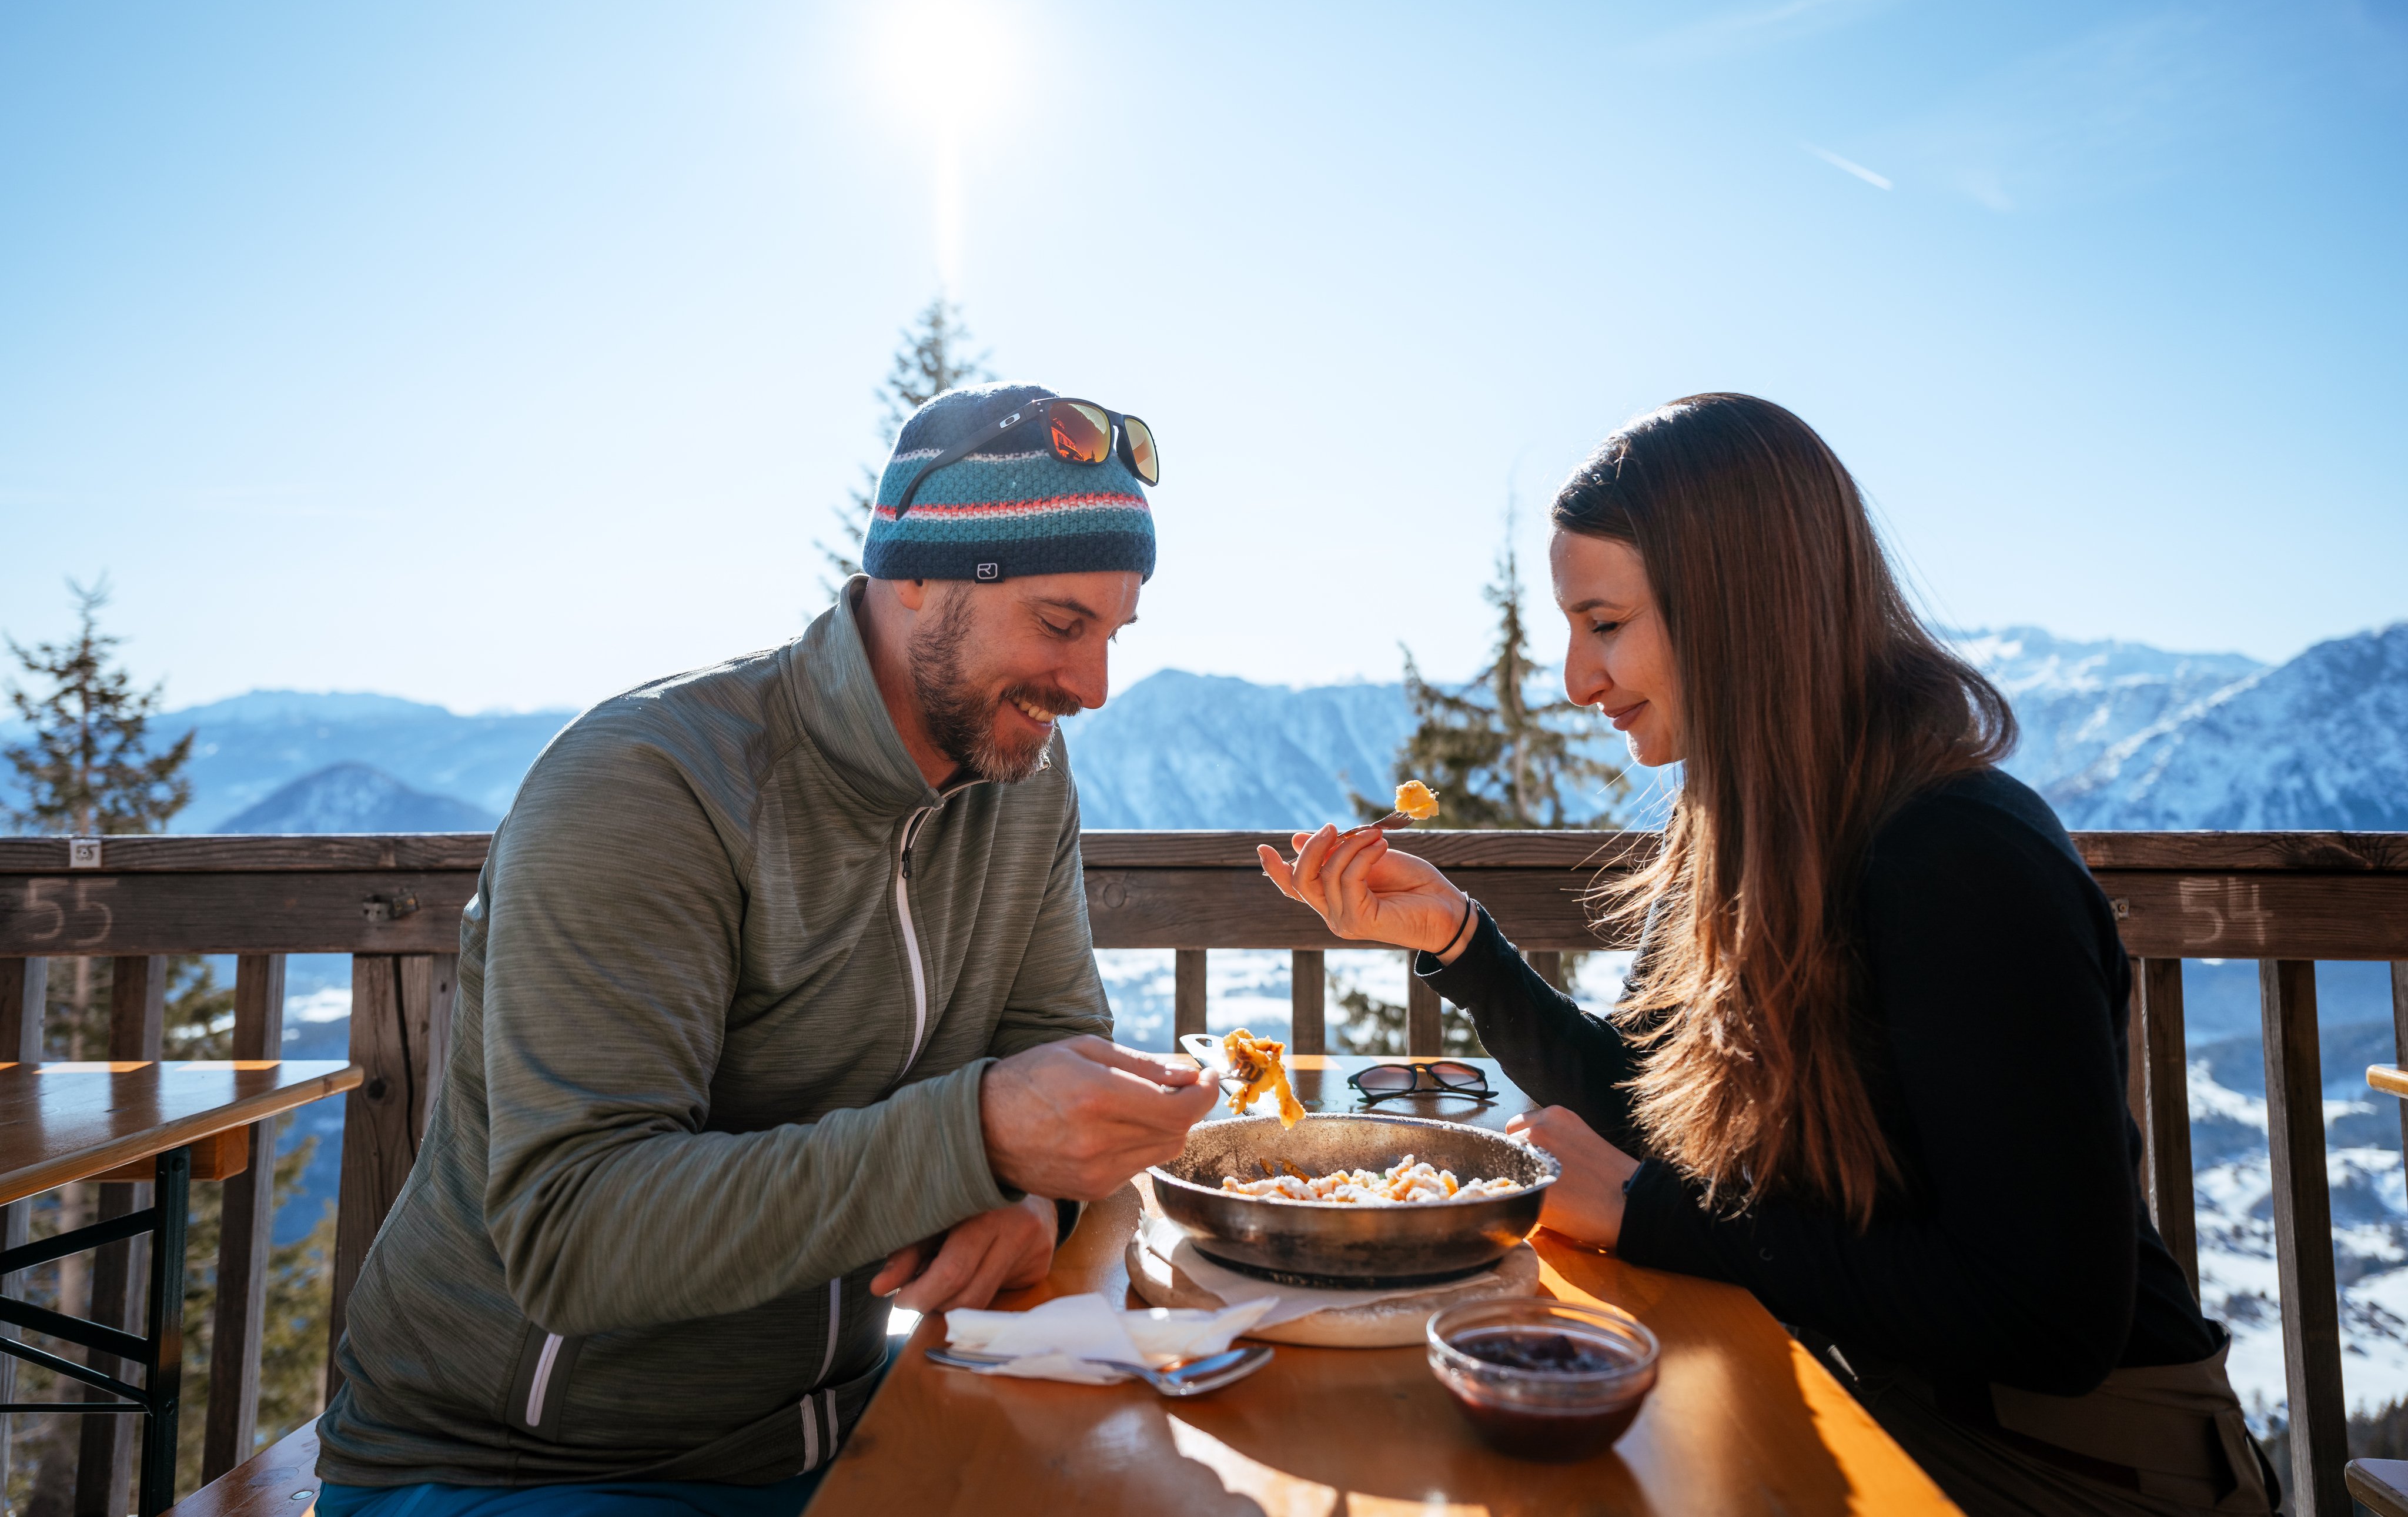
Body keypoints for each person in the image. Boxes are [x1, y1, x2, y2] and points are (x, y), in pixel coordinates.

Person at [1260, 394, 2273, 1516]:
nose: (1574, 678)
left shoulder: (1960, 856)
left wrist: (1647, 1218)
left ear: (1739, 611)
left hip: (2079, 1461)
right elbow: (1644, 1121)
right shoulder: (1736, 837)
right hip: (1868, 1395)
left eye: (1604, 624)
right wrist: (1461, 946)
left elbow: (2048, 1318)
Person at [314, 382, 1217, 1516]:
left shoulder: (1017, 780)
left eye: (1113, 634)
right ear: (917, 580)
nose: (1091, 688)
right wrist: (979, 1134)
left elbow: (1050, 1042)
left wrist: (1032, 1198)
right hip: (523, 1467)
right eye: (1059, 624)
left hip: (832, 1423)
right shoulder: (652, 784)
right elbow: (575, 1234)